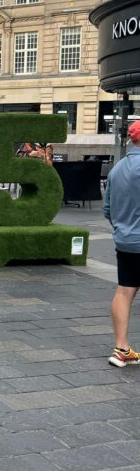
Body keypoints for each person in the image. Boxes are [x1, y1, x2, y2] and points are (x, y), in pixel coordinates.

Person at [104, 121, 140, 368]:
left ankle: (121, 348)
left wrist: (123, 228)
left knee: (124, 291)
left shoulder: (117, 169)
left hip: (126, 241)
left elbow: (107, 209)